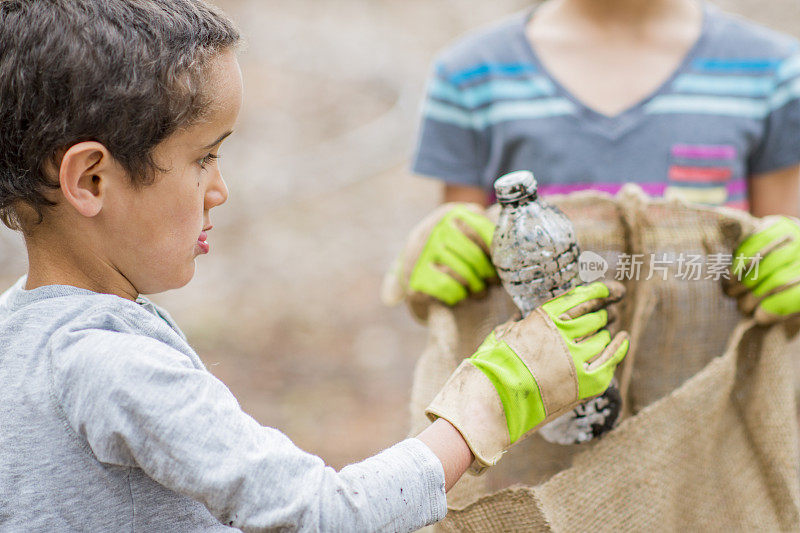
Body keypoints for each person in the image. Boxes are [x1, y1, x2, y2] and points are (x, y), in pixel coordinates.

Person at [0, 1, 629, 531]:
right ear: (90, 178)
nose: (218, 189)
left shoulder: (21, 332)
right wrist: (490, 403)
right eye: (203, 159)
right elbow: (327, 515)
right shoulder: (112, 366)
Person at [397, 0, 800, 324]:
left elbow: (777, 241)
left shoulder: (771, 71)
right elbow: (462, 248)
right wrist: (436, 253)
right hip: (537, 412)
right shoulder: (471, 75)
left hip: (716, 405)